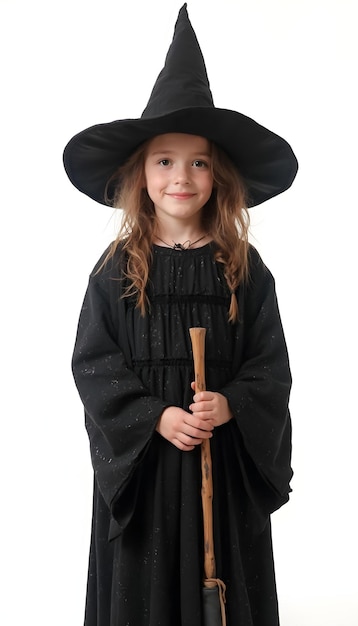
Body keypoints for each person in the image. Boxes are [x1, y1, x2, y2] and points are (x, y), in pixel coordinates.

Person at [63, 5, 298, 626]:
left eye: (198, 161)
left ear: (218, 175)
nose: (181, 176)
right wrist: (155, 417)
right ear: (140, 174)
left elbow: (270, 367)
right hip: (144, 473)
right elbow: (94, 365)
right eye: (164, 159)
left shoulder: (245, 270)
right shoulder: (115, 270)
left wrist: (231, 405)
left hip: (219, 462)